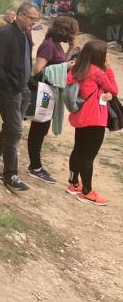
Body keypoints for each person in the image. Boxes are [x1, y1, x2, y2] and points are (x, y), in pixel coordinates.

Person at [0, 2, 41, 193]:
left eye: (36, 19)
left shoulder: (25, 33)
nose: (34, 22)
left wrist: (28, 83)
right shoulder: (3, 34)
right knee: (15, 131)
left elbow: (23, 61)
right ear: (20, 15)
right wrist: (8, 86)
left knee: (10, 128)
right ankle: (11, 175)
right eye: (32, 18)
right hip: (8, 92)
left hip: (22, 90)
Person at [26, 15, 79, 184]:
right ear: (64, 31)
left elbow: (59, 63)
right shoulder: (49, 45)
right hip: (45, 93)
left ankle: (36, 165)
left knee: (41, 130)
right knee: (38, 130)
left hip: (50, 93)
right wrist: (65, 66)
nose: (73, 35)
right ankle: (35, 167)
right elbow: (38, 69)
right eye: (72, 32)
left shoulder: (57, 44)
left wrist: (70, 50)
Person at [65, 40, 117, 206]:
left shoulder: (77, 68)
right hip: (94, 119)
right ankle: (87, 192)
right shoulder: (97, 72)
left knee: (78, 150)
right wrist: (109, 69)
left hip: (80, 116)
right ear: (99, 56)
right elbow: (114, 89)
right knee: (88, 156)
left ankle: (74, 183)